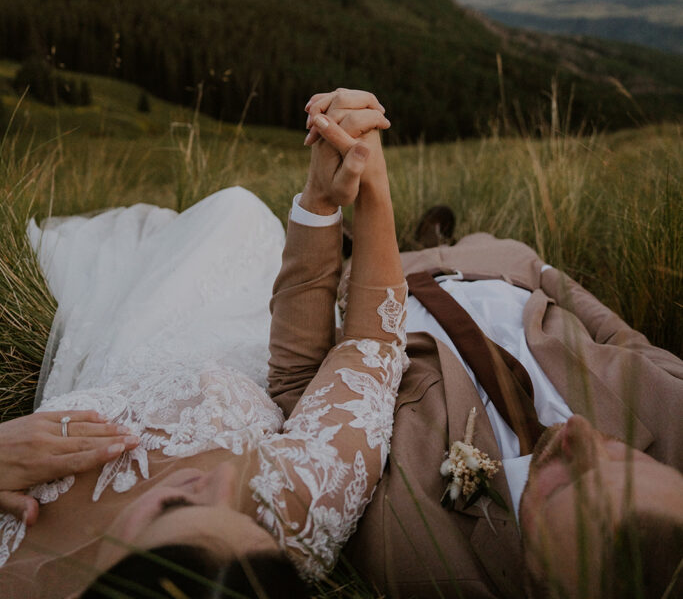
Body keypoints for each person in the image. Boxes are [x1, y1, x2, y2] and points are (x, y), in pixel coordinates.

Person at [270, 88, 683, 599]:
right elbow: (625, 338)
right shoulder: (678, 416)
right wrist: (543, 273)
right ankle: (430, 238)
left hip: (374, 296)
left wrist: (321, 205)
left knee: (367, 259)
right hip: (495, 267)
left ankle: (378, 243)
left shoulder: (411, 549)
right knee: (453, 244)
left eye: (569, 485)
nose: (578, 431)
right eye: (628, 462)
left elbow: (300, 386)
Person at [0, 97, 408, 597]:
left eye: (175, 508)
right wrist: (360, 186)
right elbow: (371, 344)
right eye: (256, 527)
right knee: (237, 212)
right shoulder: (297, 517)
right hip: (251, 341)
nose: (222, 485)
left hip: (134, 340)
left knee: (225, 223)